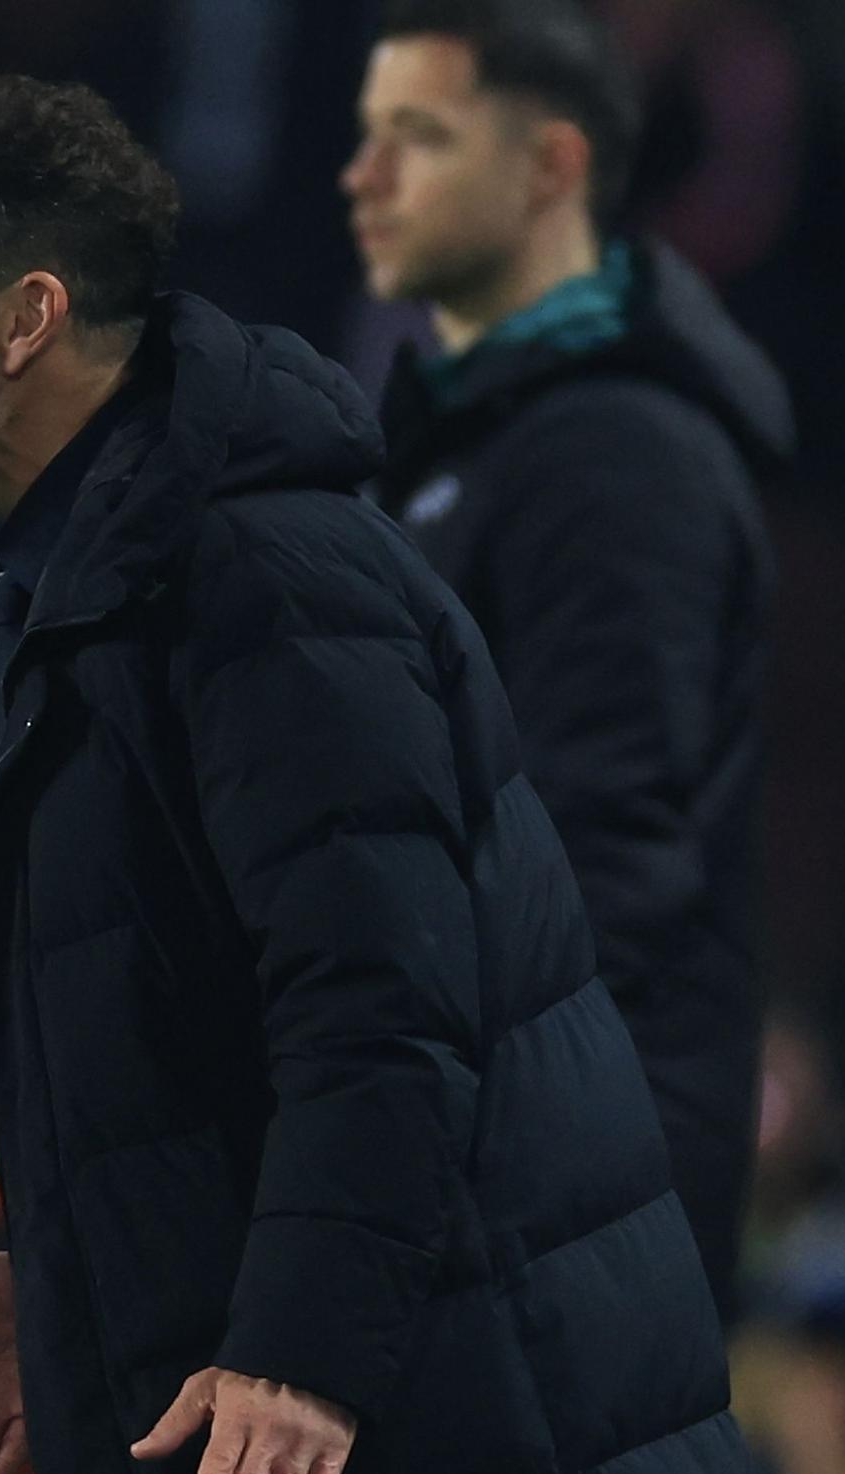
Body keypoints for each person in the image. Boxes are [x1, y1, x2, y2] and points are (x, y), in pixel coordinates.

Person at [0, 73, 784, 1474]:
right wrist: (75, 1295)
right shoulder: (30, 565)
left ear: (26, 319)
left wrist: (304, 1351)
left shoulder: (262, 577)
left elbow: (385, 1016)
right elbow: (197, 1035)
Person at [343, 0, 794, 1320]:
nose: (364, 177)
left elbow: (599, 878)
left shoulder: (612, 454)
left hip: (542, 1230)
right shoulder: (470, 442)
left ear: (550, 169)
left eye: (418, 139)